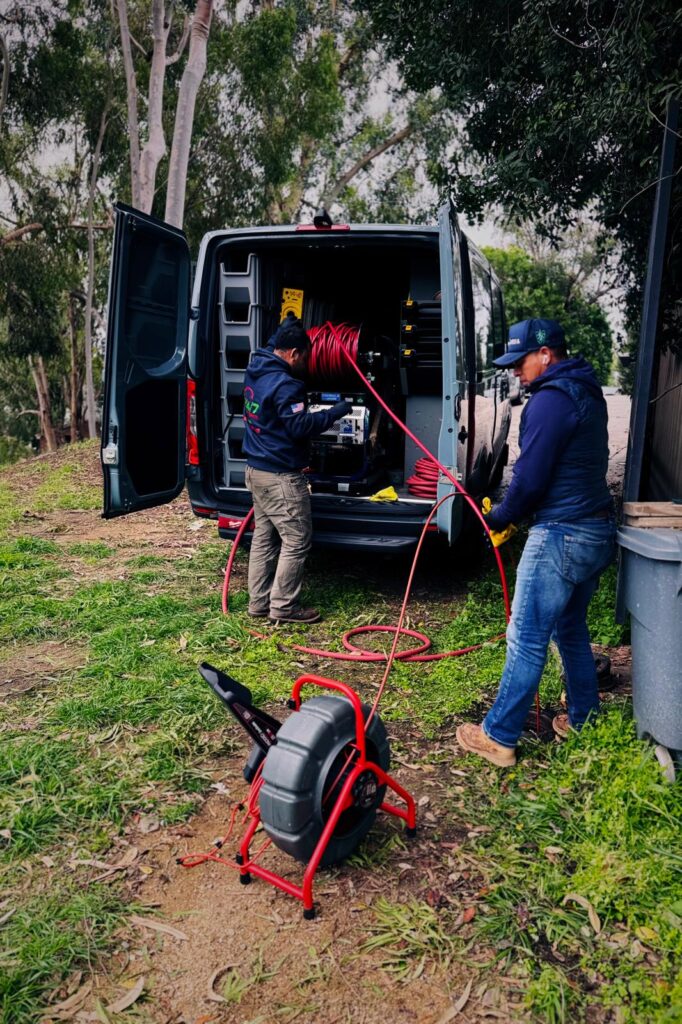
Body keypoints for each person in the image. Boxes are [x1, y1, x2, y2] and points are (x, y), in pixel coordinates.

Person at [456, 318, 616, 767]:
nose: (514, 372)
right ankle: (584, 720)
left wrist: (499, 515)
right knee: (570, 628)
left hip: (561, 535)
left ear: (545, 355)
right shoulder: (586, 391)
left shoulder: (549, 402)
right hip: (597, 530)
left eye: (519, 361)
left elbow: (529, 481)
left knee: (526, 637)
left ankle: (499, 737)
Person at [242, 315, 352, 625]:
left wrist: (291, 322)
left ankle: (259, 604)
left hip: (255, 471)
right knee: (297, 539)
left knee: (264, 537)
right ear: (293, 354)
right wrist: (335, 412)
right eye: (304, 356)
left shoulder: (257, 368)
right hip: (280, 477)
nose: (306, 362)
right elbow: (300, 426)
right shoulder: (286, 384)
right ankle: (284, 608)